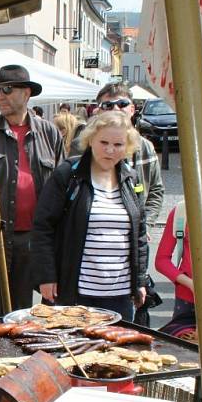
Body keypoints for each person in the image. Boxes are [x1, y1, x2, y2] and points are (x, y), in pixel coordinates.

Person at [0, 64, 64, 316]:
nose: (0, 96)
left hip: (36, 238)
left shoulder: (48, 132)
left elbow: (62, 189)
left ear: (26, 94)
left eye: (7, 89)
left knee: (29, 310)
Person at [32, 111, 148, 321]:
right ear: (90, 140)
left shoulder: (131, 178)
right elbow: (43, 228)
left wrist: (140, 281)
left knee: (117, 351)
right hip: (75, 291)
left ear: (127, 147)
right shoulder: (68, 174)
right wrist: (46, 276)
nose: (110, 150)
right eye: (104, 142)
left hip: (119, 294)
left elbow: (140, 234)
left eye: (118, 145)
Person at [155, 158, 202, 335]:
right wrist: (190, 283)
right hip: (188, 299)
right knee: (187, 351)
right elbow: (161, 260)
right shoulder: (181, 211)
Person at [94, 83, 165, 230]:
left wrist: (145, 226)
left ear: (132, 109)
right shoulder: (85, 144)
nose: (115, 109)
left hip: (133, 234)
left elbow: (156, 191)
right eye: (108, 105)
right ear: (98, 111)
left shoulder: (145, 147)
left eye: (122, 104)